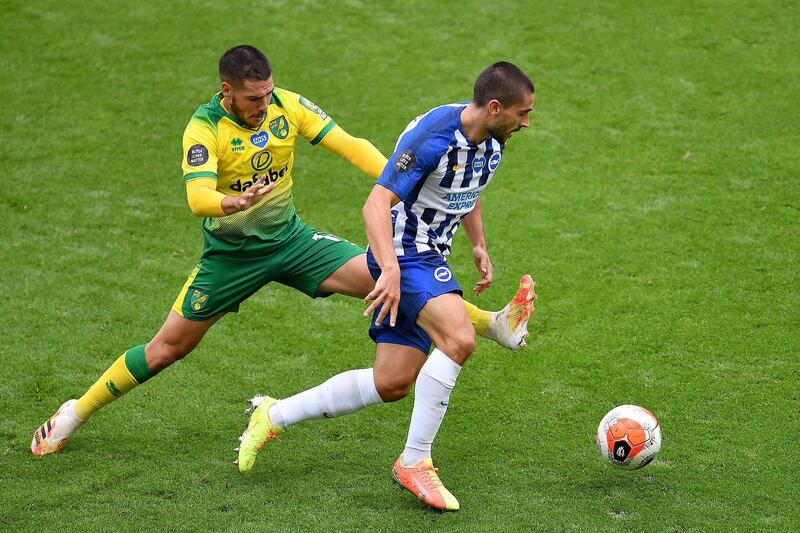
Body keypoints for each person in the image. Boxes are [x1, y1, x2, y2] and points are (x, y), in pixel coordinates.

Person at [31, 46, 534, 457]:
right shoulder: (204, 129)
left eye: (268, 93)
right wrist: (232, 200)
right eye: (253, 98)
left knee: (388, 276)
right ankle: (75, 412)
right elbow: (196, 198)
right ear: (227, 91)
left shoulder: (286, 106)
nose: (264, 104)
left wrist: (401, 179)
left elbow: (350, 144)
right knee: (168, 349)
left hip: (294, 243)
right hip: (231, 260)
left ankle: (489, 324)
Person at [237, 61, 536, 511]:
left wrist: (478, 245)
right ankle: (415, 461)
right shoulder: (433, 136)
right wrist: (391, 270)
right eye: (522, 113)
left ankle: (272, 414)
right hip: (405, 252)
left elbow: (467, 190)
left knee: (392, 381)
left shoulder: (492, 140)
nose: (526, 122)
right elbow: (375, 204)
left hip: (431, 253)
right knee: (456, 339)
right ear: (495, 108)